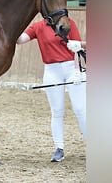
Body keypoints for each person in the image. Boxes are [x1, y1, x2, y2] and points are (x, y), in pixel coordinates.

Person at [17, 18, 86, 162]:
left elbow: (77, 47)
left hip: (71, 68)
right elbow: (20, 40)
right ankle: (59, 148)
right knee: (57, 111)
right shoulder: (38, 27)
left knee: (80, 109)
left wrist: (77, 70)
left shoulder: (69, 23)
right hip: (51, 70)